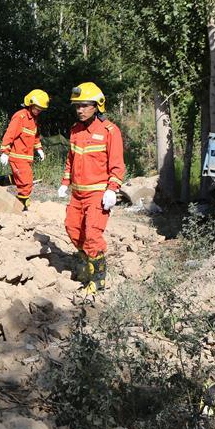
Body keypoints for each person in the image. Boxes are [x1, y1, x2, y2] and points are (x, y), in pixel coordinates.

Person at [57, 82, 125, 294]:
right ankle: (87, 263)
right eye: (77, 106)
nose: (80, 110)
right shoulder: (75, 130)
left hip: (97, 194)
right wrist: (65, 183)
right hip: (77, 194)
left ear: (97, 105)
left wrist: (112, 189)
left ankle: (98, 279)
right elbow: (71, 159)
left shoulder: (109, 131)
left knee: (93, 234)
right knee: (72, 227)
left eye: (85, 105)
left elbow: (117, 164)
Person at [0, 89, 50, 210]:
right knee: (26, 182)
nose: (39, 111)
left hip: (27, 158)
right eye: (37, 108)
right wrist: (5, 152)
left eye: (41, 109)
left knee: (21, 179)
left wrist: (40, 150)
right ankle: (21, 206)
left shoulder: (34, 120)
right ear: (30, 104)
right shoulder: (20, 116)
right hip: (17, 157)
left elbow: (35, 137)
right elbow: (10, 134)